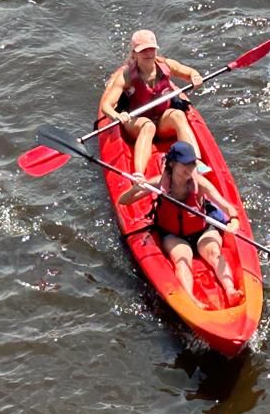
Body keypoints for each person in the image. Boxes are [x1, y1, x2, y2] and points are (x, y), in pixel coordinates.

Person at [119, 139, 240, 303]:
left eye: (192, 164)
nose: (189, 169)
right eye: (184, 164)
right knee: (182, 258)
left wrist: (234, 221)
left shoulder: (200, 183)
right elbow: (123, 201)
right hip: (173, 235)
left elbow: (228, 208)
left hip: (202, 230)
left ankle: (230, 289)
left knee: (213, 252)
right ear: (172, 164)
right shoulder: (158, 183)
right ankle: (191, 300)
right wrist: (135, 188)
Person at [98, 29, 203, 177]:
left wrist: (196, 77)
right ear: (134, 53)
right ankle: (139, 174)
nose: (148, 54)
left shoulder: (166, 65)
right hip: (137, 123)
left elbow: (190, 73)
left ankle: (196, 162)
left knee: (179, 115)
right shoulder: (127, 76)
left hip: (162, 121)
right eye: (143, 51)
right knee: (148, 126)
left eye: (151, 49)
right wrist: (116, 116)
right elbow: (106, 106)